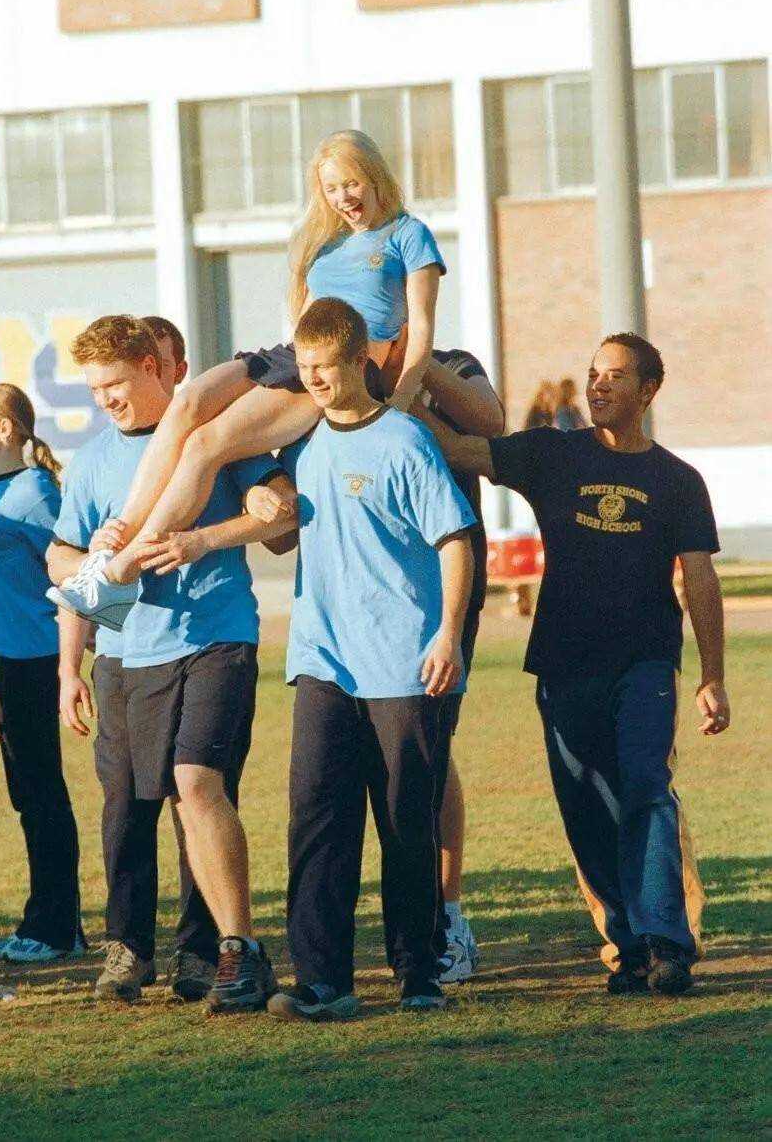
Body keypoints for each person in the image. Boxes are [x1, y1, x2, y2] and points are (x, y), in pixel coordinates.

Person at [416, 333, 730, 996]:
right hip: (562, 663)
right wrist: (394, 392)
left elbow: (700, 580)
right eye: (593, 373)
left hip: (644, 664)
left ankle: (667, 942)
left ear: (648, 391)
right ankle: (627, 944)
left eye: (616, 376)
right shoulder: (552, 455)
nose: (599, 385)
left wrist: (712, 676)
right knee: (585, 804)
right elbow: (457, 449)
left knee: (646, 788)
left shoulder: (677, 481)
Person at [50, 129, 447, 625]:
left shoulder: (409, 235)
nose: (343, 197)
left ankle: (122, 570)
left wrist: (400, 402)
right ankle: (118, 537)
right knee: (188, 403)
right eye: (330, 189)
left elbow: (423, 330)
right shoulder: (323, 243)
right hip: (293, 353)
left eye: (352, 183)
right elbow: (302, 313)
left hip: (342, 364)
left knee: (205, 446)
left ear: (373, 177)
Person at [48, 315, 296, 1008]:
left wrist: (213, 534)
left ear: (155, 368)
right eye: (95, 388)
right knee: (126, 807)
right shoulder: (93, 460)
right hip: (125, 655)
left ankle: (208, 950)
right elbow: (63, 562)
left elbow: (280, 517)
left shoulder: (212, 434)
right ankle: (127, 949)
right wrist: (70, 667)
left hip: (215, 638)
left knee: (199, 787)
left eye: (116, 383)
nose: (105, 399)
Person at [265, 298, 476, 1022]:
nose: (315, 381)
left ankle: (418, 971)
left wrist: (447, 633)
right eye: (305, 369)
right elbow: (284, 537)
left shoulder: (406, 442)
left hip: (401, 663)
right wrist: (270, 510)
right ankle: (324, 979)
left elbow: (454, 540)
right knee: (315, 819)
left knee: (403, 820)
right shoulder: (303, 444)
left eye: (326, 367)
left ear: (360, 362)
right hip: (323, 660)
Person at [0, 383, 84, 963]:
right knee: (28, 791)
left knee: (40, 792)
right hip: (9, 657)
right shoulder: (4, 488)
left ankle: (56, 928)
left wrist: (72, 663)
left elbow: (72, 569)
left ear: (6, 429)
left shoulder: (35, 492)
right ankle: (53, 920)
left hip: (35, 657)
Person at [418, 348, 505, 982]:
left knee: (431, 745)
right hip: (359, 587)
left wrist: (414, 365)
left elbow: (491, 421)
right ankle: (403, 917)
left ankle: (446, 915)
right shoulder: (331, 365)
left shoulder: (451, 362)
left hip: (446, 585)